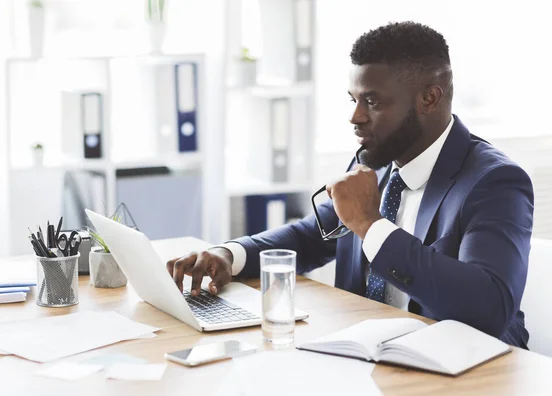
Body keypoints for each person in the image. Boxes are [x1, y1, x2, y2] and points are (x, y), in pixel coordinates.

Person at [166, 21, 534, 348]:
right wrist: (229, 256)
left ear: (429, 98)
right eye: (354, 100)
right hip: (363, 358)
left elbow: (489, 308)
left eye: (372, 102)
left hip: (464, 374)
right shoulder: (375, 163)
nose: (355, 117)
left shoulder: (495, 182)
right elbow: (311, 235)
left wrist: (371, 226)